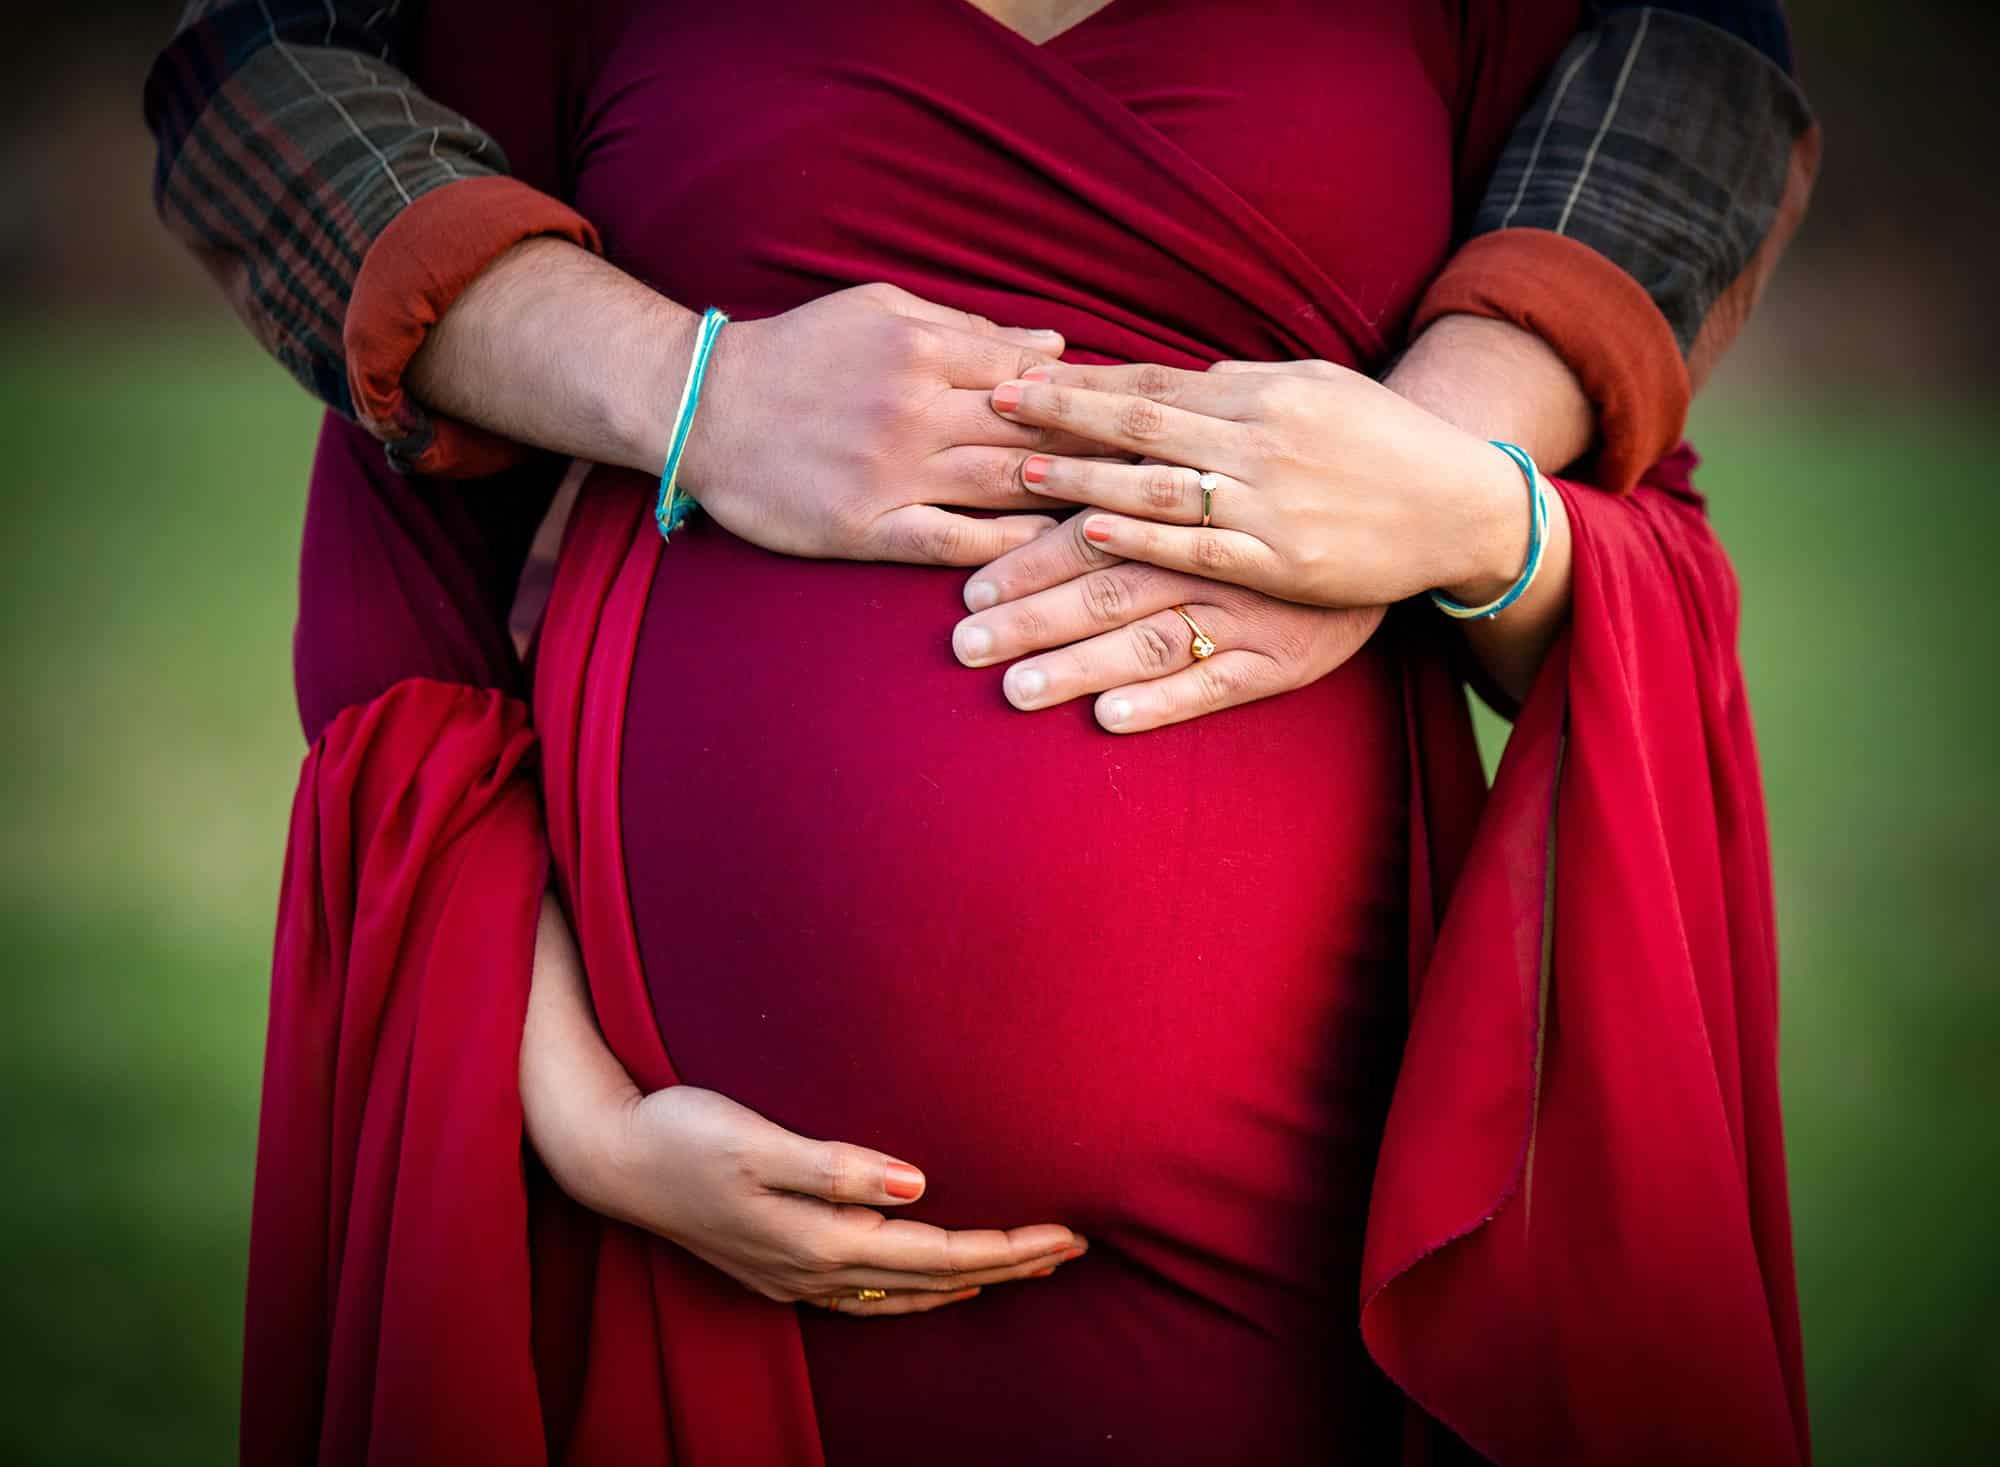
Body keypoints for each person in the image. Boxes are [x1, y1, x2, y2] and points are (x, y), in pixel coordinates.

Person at [144, 1, 1819, 1462]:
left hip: (1286, 1242)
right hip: (687, 1233)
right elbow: (406, 628)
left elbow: (1596, 566)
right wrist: (580, 1117)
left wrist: (1439, 506)